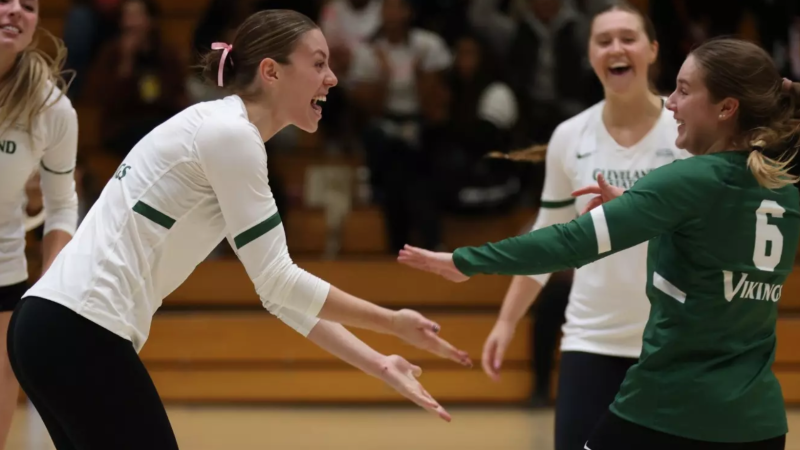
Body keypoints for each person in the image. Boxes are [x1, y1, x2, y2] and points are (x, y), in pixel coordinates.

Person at [10, 10, 471, 450]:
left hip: (51, 326)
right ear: (271, 72)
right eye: (318, 64)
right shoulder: (231, 136)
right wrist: (391, 323)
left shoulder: (221, 131)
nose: (332, 78)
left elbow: (277, 294)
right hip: (78, 327)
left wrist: (377, 361)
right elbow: (281, 279)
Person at [399, 38, 800, 449]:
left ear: (726, 107)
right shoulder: (784, 190)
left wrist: (467, 261)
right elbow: (713, 245)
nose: (671, 103)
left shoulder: (690, 179)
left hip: (671, 407)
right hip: (760, 424)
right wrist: (638, 210)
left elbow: (572, 241)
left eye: (684, 89)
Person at [481, 3, 688, 448]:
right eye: (603, 40)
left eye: (628, 38)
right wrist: (506, 320)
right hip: (590, 340)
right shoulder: (570, 136)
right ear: (590, 55)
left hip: (672, 345)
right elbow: (547, 240)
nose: (616, 47)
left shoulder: (688, 132)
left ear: (652, 50)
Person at [0, 0, 80, 449]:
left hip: (4, 278)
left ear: (35, 26)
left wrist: (49, 283)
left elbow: (62, 204)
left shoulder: (52, 109)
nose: (15, 11)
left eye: (27, 6)